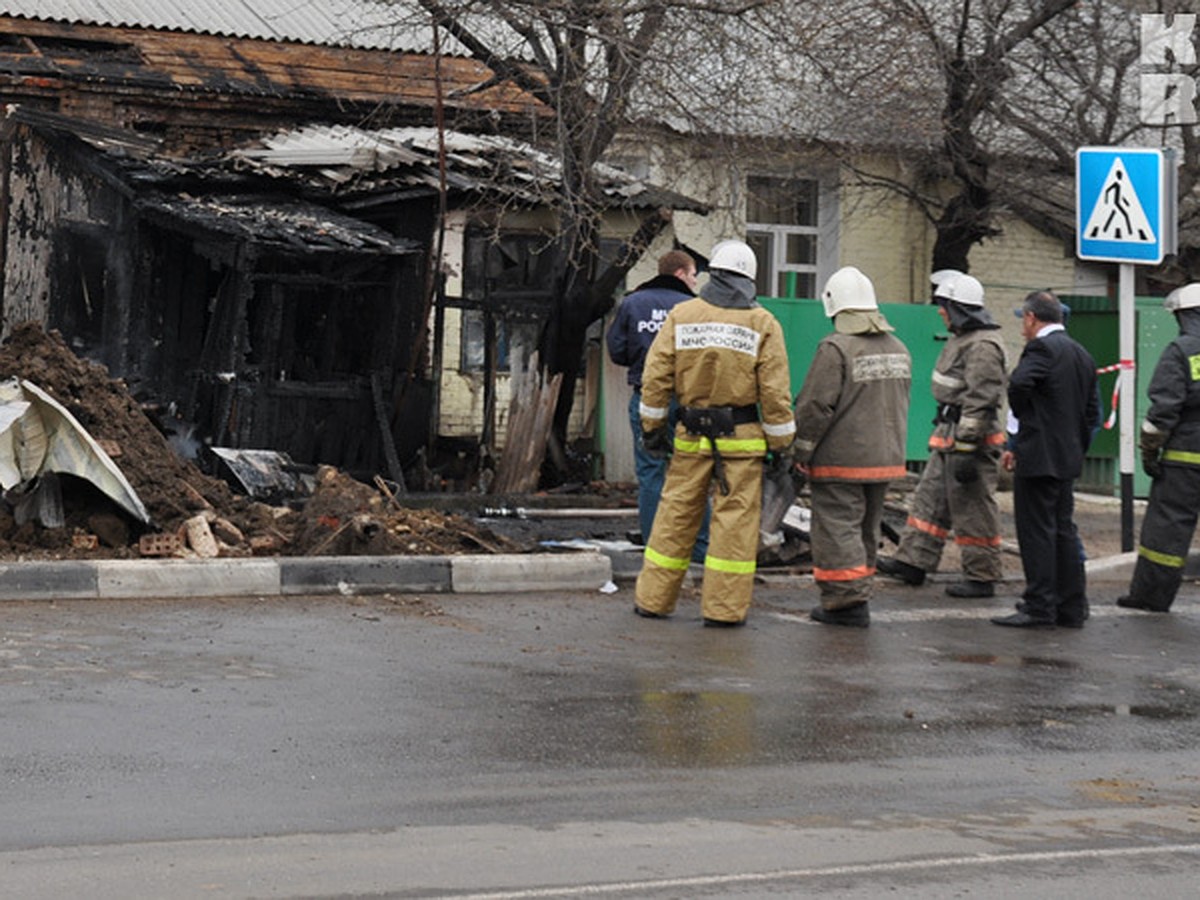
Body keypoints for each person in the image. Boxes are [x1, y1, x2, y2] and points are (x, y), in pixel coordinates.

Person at [633, 239, 795, 627]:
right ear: (750, 280)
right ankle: (723, 611)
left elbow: (655, 377)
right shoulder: (763, 323)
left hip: (691, 435)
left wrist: (652, 429)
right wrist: (782, 445)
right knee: (734, 526)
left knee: (674, 516)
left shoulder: (682, 315)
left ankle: (653, 601)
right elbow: (774, 392)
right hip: (741, 442)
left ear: (714, 274)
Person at [793, 266, 912, 627]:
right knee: (866, 528)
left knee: (837, 526)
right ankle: (860, 590)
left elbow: (815, 406)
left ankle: (846, 602)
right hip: (885, 459)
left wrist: (799, 452)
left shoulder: (836, 348)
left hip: (841, 460)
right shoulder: (899, 347)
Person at [877, 271, 1007, 598]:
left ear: (960, 308)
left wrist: (966, 449)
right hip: (950, 434)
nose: (939, 311)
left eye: (944, 305)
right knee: (930, 501)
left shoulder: (984, 346)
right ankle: (912, 562)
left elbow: (981, 400)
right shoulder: (962, 338)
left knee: (973, 508)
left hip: (970, 441)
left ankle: (982, 576)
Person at [992, 290, 1098, 628]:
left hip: (1038, 455)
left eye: (1023, 320)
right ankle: (1071, 606)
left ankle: (1039, 606)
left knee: (1036, 532)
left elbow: (1019, 383)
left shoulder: (1041, 348)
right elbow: (1092, 411)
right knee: (1063, 531)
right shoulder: (1081, 352)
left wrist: (1024, 427)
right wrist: (1075, 443)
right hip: (1066, 457)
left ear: (1031, 318)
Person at [606, 249, 710, 559]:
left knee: (650, 472)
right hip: (690, 400)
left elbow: (617, 351)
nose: (695, 281)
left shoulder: (633, 302)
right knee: (693, 471)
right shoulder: (696, 307)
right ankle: (700, 547)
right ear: (680, 274)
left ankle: (656, 549)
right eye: (693, 275)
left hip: (647, 397)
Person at [1116, 283, 1200, 613]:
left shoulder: (1182, 351)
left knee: (1168, 528)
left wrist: (1149, 454)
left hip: (1185, 459)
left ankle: (1151, 597)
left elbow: (1162, 412)